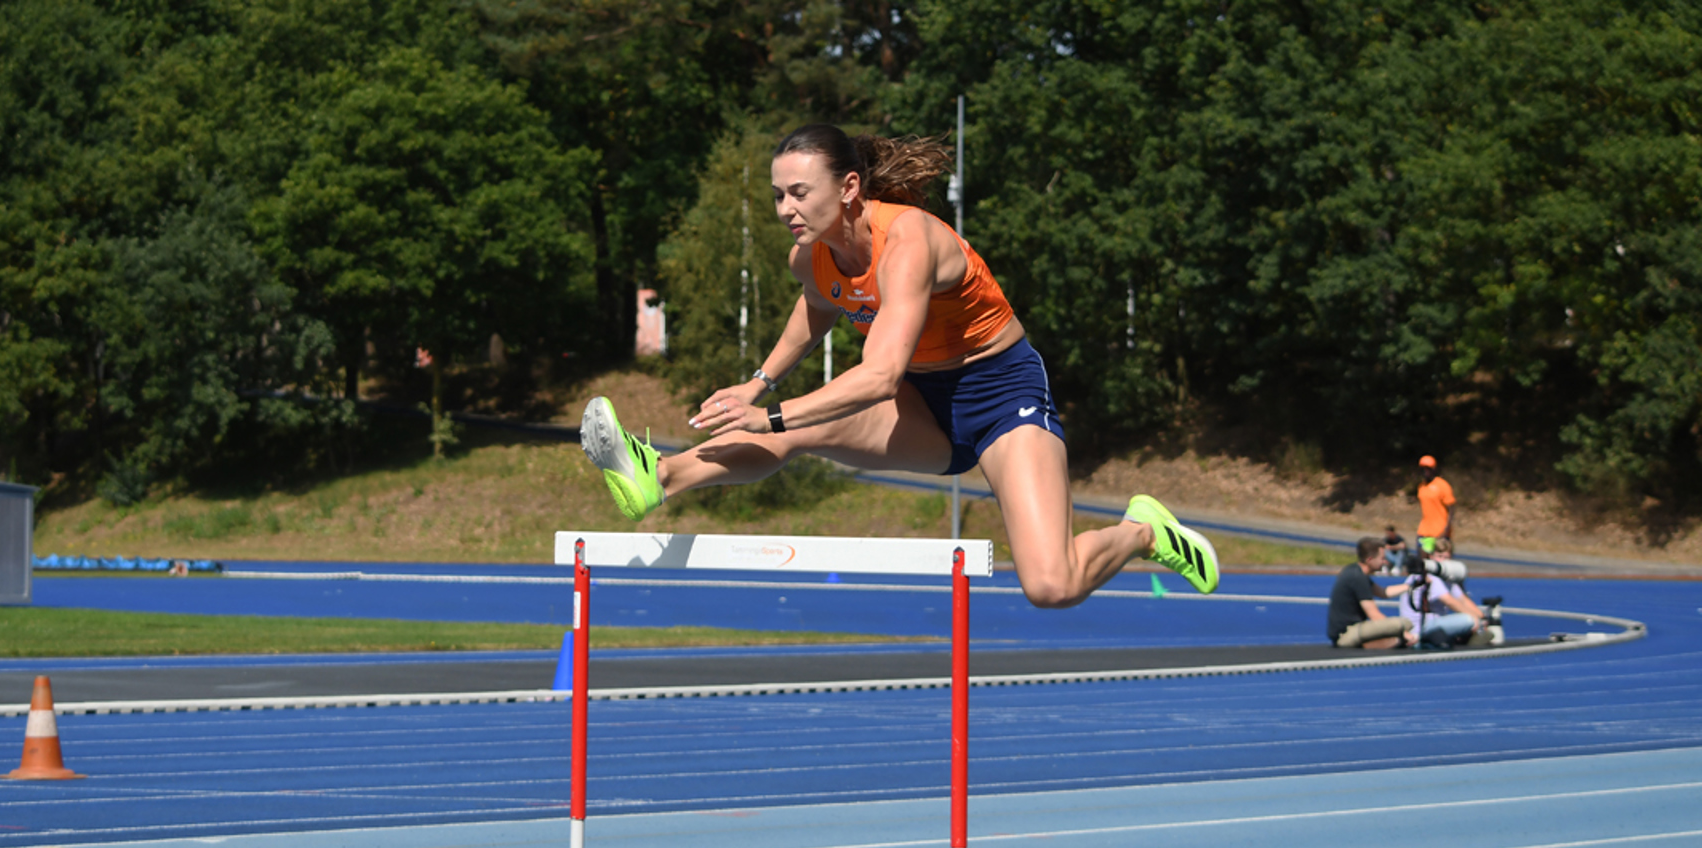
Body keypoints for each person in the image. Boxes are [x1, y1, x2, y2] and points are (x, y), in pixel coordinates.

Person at [578, 125, 1218, 608]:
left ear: (849, 187)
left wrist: (765, 413)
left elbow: (879, 376)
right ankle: (656, 476)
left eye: (799, 193)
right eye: (777, 196)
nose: (784, 210)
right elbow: (818, 306)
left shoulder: (909, 240)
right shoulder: (813, 256)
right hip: (921, 401)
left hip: (1000, 395)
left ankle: (1142, 531)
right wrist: (760, 381)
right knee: (801, 429)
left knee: (1051, 585)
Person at [1392, 537, 1485, 648]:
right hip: (1418, 629)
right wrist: (1476, 620)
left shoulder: (1447, 579)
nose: (1442, 561)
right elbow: (1451, 602)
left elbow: (1463, 600)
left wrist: (1482, 618)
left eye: (1446, 557)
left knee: (1474, 622)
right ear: (1431, 557)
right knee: (1468, 620)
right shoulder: (1429, 577)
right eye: (1439, 557)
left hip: (1433, 625)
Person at [1328, 537, 1414, 649]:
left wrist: (1410, 586)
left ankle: (1383, 642)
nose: (1385, 562)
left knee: (1396, 637)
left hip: (1347, 632)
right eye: (1382, 558)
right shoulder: (1357, 578)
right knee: (1403, 623)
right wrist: (1402, 631)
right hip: (1347, 633)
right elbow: (1374, 615)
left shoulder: (1354, 570)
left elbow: (1384, 592)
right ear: (1370, 560)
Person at [1416, 455, 1456, 555]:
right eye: (1423, 469)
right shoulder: (1421, 486)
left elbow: (1451, 507)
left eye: (1428, 469)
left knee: (1439, 559)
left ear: (1434, 469)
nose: (1425, 472)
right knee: (1423, 562)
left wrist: (1447, 528)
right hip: (1424, 531)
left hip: (1439, 531)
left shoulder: (1442, 485)